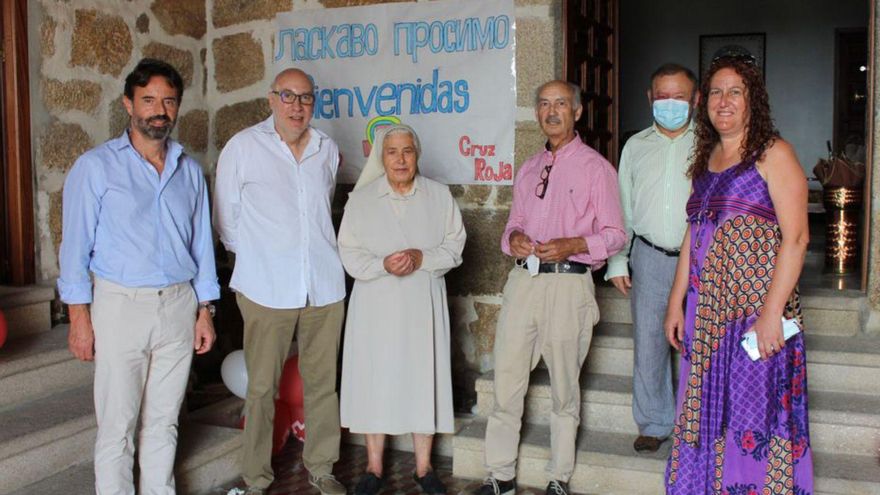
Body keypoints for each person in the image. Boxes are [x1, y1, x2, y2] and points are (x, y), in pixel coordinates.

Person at [58, 58, 219, 494]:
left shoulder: (189, 170)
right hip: (119, 306)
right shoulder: (95, 168)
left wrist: (205, 310)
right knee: (118, 427)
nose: (158, 110)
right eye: (148, 100)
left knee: (164, 422)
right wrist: (79, 319)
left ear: (178, 107)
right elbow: (73, 250)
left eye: (168, 100)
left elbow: (202, 245)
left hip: (179, 306)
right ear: (129, 104)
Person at [663, 52, 814, 493]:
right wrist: (676, 303)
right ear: (703, 102)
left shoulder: (773, 153)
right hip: (706, 314)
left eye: (735, 92)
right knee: (706, 408)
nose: (723, 101)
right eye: (715, 92)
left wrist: (772, 313)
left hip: (754, 313)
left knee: (754, 415)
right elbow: (694, 233)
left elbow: (798, 239)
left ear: (753, 101)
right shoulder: (707, 158)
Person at [477, 80, 626, 495]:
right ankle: (500, 475)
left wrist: (575, 244)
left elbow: (615, 235)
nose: (551, 111)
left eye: (561, 103)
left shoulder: (597, 169)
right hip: (523, 282)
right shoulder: (528, 168)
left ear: (577, 112)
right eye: (544, 104)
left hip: (569, 286)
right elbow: (510, 226)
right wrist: (516, 240)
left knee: (564, 388)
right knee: (507, 381)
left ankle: (558, 477)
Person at [213, 68, 346, 495]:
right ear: (271, 99)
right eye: (288, 96)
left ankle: (322, 467)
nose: (297, 106)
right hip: (266, 287)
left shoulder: (327, 148)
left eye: (306, 98)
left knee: (323, 383)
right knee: (262, 387)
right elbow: (226, 220)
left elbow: (321, 212)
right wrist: (259, 257)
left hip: (323, 286)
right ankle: (256, 477)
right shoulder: (244, 147)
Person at [337, 123, 466, 495]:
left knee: (423, 376)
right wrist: (382, 265)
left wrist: (421, 256)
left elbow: (455, 245)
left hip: (421, 304)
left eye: (407, 151)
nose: (400, 159)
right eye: (392, 152)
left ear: (417, 154)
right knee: (373, 378)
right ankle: (374, 467)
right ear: (382, 157)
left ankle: (424, 468)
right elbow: (349, 251)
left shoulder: (439, 196)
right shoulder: (360, 201)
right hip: (374, 305)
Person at [605, 63, 698, 453]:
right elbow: (622, 208)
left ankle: (699, 422)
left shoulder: (710, 144)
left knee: (702, 341)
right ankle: (655, 422)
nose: (671, 103)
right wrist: (617, 261)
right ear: (650, 98)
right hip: (650, 256)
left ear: (694, 99)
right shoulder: (635, 146)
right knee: (648, 342)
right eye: (663, 96)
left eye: (679, 97)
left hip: (701, 259)